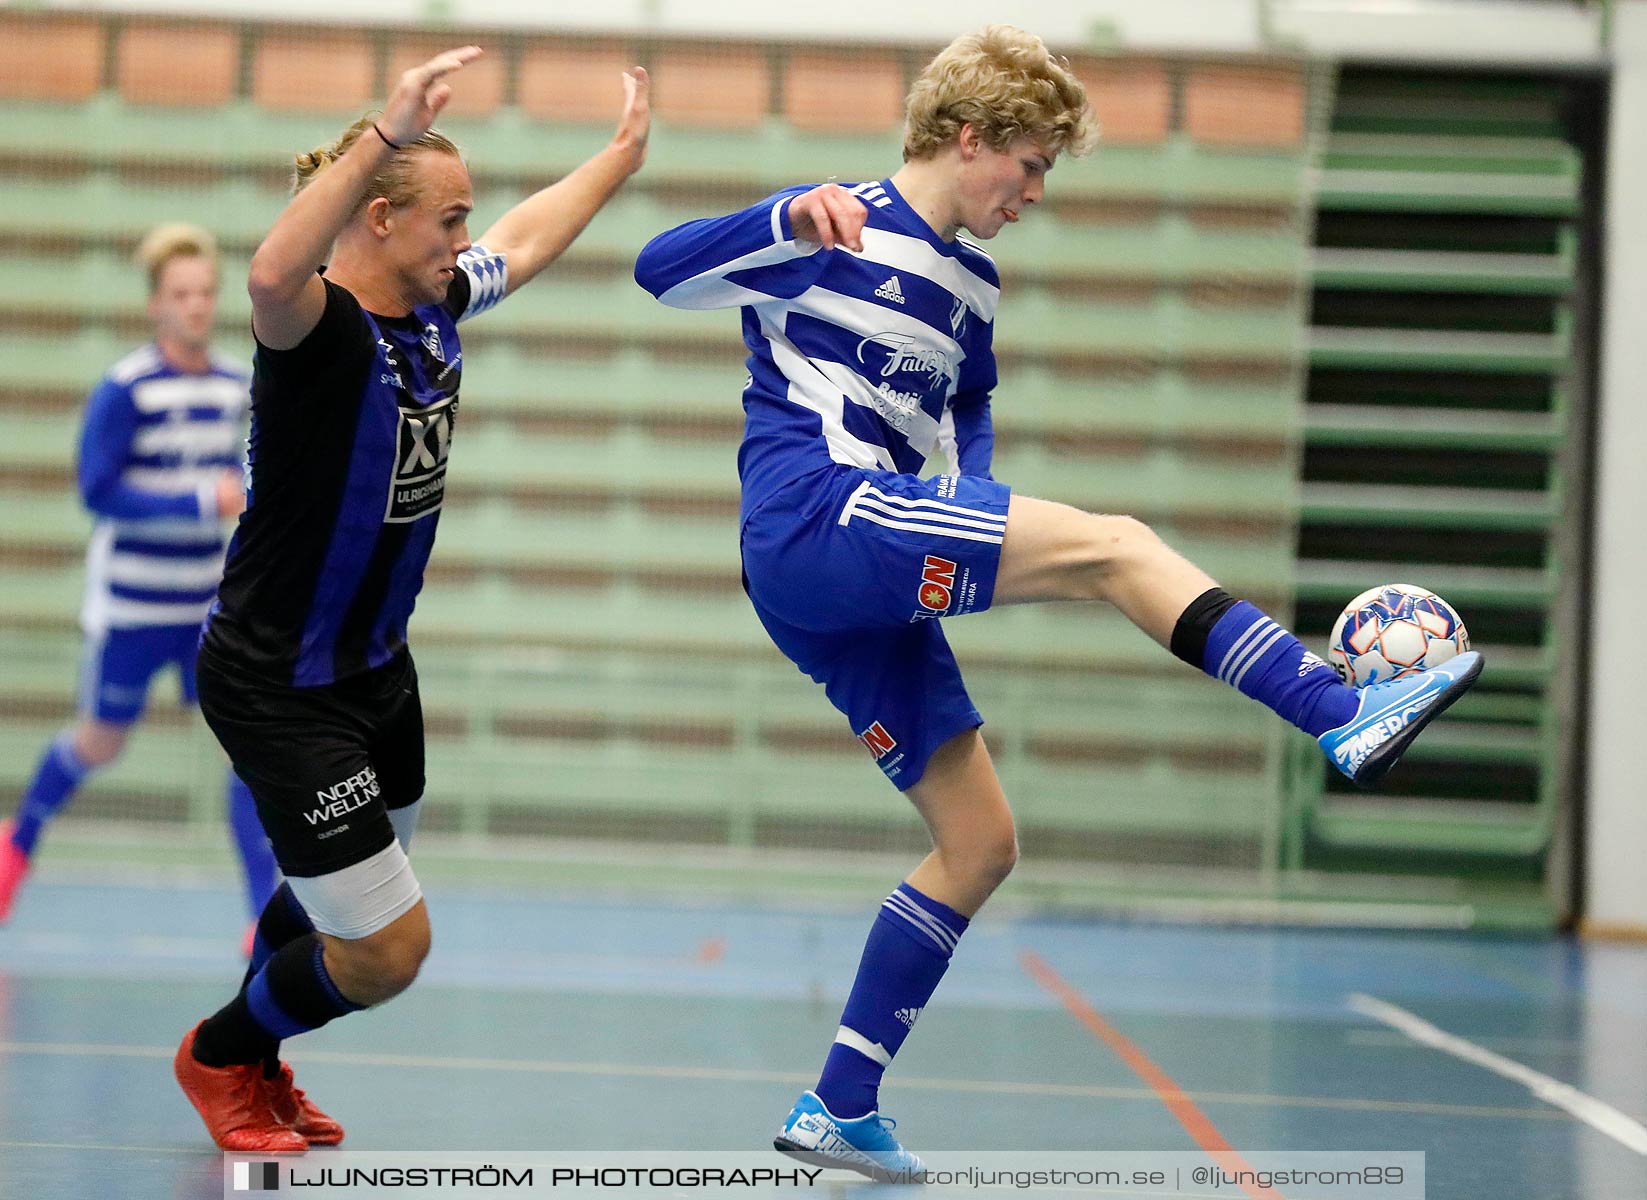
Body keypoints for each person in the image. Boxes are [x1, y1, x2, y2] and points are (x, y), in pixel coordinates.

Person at [635, 24, 1482, 1181]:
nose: (1034, 193)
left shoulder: (972, 280)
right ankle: (1334, 708)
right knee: (1116, 546)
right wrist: (780, 218)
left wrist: (974, 494)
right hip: (817, 521)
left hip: (868, 563)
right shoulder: (832, 220)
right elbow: (657, 266)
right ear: (970, 136)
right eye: (1028, 165)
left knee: (980, 843)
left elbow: (967, 403)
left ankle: (839, 1102)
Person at [171, 46, 650, 1152]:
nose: (464, 241)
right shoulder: (318, 332)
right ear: (380, 217)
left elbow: (525, 239)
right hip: (277, 682)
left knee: (338, 892)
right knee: (389, 949)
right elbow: (268, 273)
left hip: (378, 675)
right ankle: (218, 1056)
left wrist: (619, 159)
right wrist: (387, 128)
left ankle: (263, 1050)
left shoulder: (437, 308)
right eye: (447, 220)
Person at [0, 224, 279, 933]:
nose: (195, 306)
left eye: (205, 293)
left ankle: (260, 917)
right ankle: (17, 848)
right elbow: (98, 492)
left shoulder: (231, 387)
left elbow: (243, 477)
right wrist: (195, 502)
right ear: (156, 303)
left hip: (204, 610)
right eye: (180, 294)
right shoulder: (125, 389)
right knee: (100, 741)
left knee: (243, 747)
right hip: (130, 607)